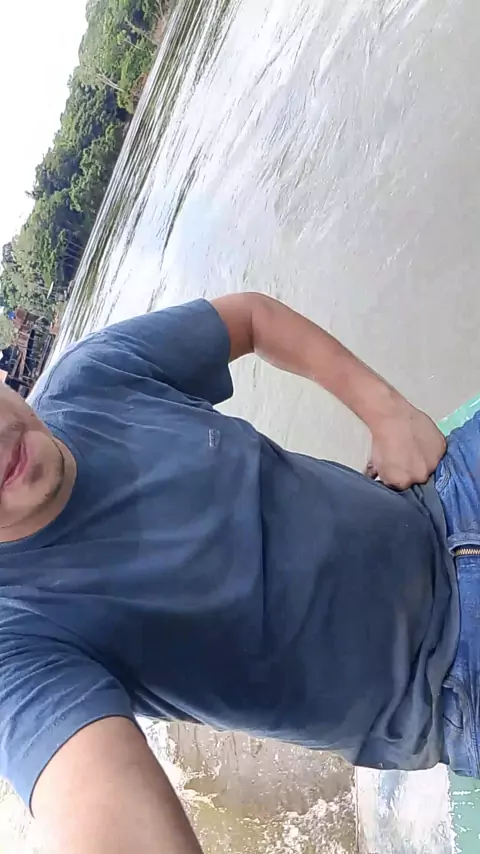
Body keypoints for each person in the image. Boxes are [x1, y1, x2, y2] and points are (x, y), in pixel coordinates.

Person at [0, 292, 474, 853]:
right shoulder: (19, 644)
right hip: (450, 681)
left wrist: (386, 412)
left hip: (443, 498)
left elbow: (251, 318)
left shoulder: (96, 376)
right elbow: (97, 802)